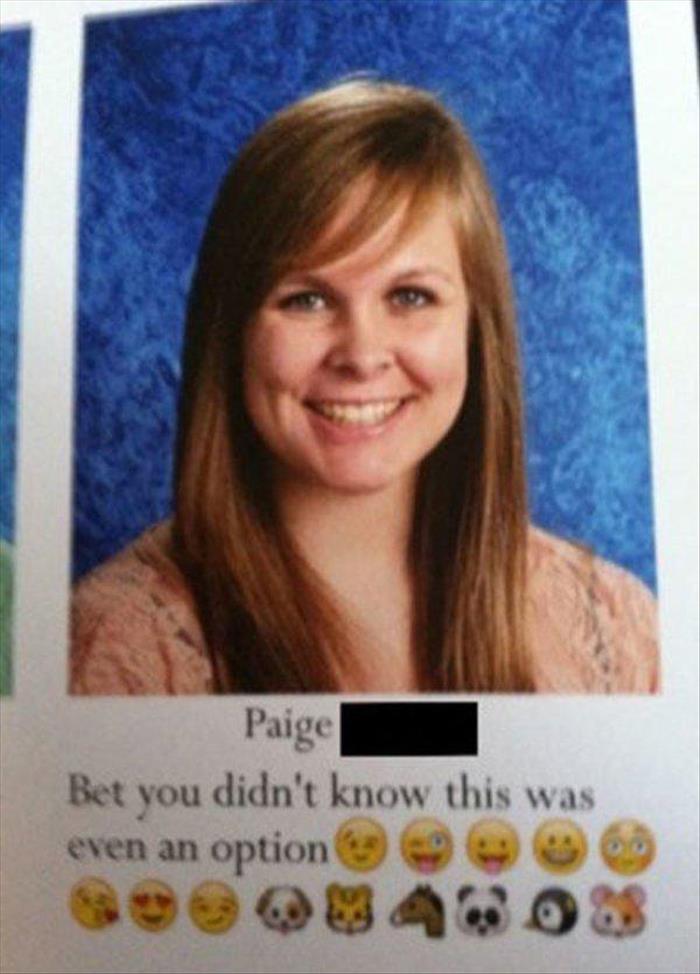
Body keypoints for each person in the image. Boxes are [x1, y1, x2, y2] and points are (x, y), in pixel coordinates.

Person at [70, 80, 658, 695]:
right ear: (232, 331)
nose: (361, 355)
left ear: (475, 327)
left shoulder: (615, 629)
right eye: (307, 299)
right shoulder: (117, 651)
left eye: (411, 296)